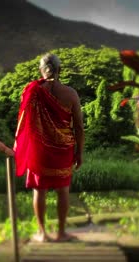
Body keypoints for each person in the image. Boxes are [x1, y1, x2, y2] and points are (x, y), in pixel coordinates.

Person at [14, 53, 84, 242]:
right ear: (60, 70)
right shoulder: (71, 94)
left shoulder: (32, 91)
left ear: (40, 70)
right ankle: (61, 232)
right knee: (63, 190)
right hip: (64, 149)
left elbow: (23, 124)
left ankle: (42, 233)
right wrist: (80, 152)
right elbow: (78, 126)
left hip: (39, 151)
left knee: (40, 190)